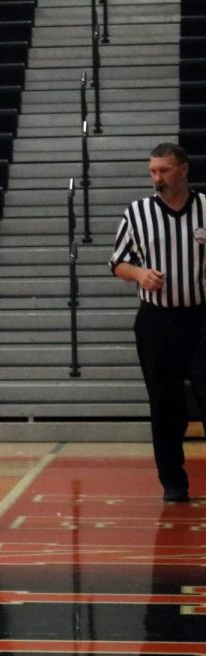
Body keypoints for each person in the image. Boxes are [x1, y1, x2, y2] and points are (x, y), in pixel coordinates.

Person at [110, 143, 206, 503]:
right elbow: (117, 262)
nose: (157, 178)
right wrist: (140, 274)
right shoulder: (137, 213)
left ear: (183, 169)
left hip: (201, 316)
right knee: (165, 405)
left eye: (164, 171)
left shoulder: (205, 210)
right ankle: (174, 483)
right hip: (157, 321)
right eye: (153, 171)